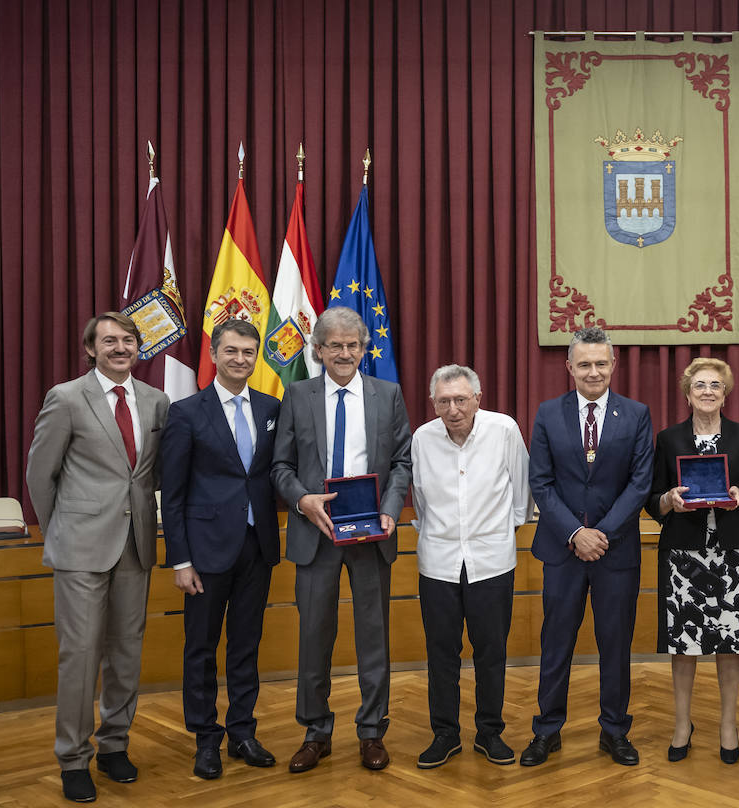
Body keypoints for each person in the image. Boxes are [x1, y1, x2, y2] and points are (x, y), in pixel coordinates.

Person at [25, 311, 171, 802]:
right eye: (109, 340)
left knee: (126, 654)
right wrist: (62, 531)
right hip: (80, 549)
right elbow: (39, 476)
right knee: (81, 656)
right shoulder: (66, 398)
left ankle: (114, 746)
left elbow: (149, 477)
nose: (120, 347)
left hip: (136, 547)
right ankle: (72, 757)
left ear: (138, 347)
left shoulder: (156, 401)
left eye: (128, 340)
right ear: (91, 349)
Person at [271, 306, 412, 773]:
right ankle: (316, 731)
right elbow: (281, 468)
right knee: (314, 637)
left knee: (374, 638)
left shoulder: (388, 394)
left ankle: (372, 731)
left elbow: (403, 463)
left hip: (372, 532)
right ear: (318, 350)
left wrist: (391, 510)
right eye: (335, 345)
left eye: (353, 345)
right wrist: (301, 501)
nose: (345, 353)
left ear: (364, 348)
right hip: (316, 533)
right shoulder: (297, 395)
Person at [521, 326, 654, 767]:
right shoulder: (547, 413)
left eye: (601, 363)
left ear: (613, 365)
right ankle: (547, 730)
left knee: (614, 644)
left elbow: (639, 485)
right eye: (585, 364)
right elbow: (540, 482)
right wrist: (575, 534)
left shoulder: (635, 415)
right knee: (556, 642)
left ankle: (614, 730)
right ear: (569, 368)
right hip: (562, 551)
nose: (593, 371)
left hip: (616, 553)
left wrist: (602, 534)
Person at [160, 319, 282, 780]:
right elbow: (172, 494)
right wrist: (181, 559)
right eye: (231, 351)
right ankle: (205, 739)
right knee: (201, 647)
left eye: (248, 352)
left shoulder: (272, 407)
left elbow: (270, 473)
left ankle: (242, 732)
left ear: (257, 356)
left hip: (257, 546)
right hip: (205, 553)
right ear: (214, 354)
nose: (240, 360)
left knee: (246, 645)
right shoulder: (187, 412)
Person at [410, 364, 532, 769]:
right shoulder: (422, 439)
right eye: (444, 401)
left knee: (491, 651)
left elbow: (521, 491)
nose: (453, 409)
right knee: (441, 652)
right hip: (438, 563)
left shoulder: (504, 430)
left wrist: (499, 532)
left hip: (492, 560)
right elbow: (422, 502)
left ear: (478, 398)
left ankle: (489, 732)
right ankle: (444, 734)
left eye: (461, 399)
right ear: (433, 403)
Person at [647, 358, 739, 765]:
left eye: (715, 385)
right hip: (683, 557)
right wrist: (668, 501)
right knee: (684, 647)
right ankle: (682, 724)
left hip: (731, 555)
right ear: (687, 393)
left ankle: (728, 725)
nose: (708, 391)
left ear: (726, 393)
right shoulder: (668, 439)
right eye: (700, 385)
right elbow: (652, 498)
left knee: (729, 644)